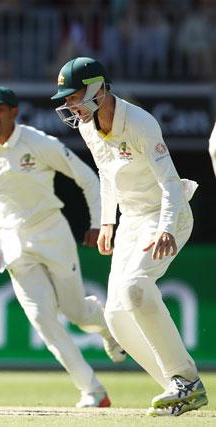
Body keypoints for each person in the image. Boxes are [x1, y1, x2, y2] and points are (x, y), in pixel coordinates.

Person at [51, 56, 208, 416]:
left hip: (168, 214)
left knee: (137, 288)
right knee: (118, 316)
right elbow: (107, 173)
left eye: (75, 96)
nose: (71, 105)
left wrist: (167, 226)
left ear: (98, 88)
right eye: (68, 99)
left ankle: (187, 379)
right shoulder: (87, 127)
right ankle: (180, 389)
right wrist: (108, 222)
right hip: (132, 221)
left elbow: (169, 182)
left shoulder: (139, 122)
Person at [0, 85, 126, 409]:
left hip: (51, 233)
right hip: (12, 243)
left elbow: (88, 178)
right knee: (44, 321)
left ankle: (109, 330)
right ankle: (93, 391)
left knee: (77, 313)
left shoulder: (38, 142)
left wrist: (98, 223)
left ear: (14, 112)